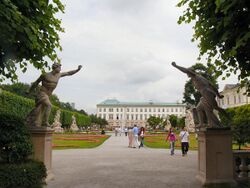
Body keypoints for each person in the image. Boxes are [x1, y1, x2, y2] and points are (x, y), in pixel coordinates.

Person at [172, 62, 226, 128]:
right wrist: (218, 95)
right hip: (205, 95)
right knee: (199, 108)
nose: (187, 74)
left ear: (190, 72)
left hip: (208, 94)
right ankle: (201, 123)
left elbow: (186, 70)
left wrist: (176, 66)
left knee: (213, 108)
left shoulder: (196, 76)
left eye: (188, 73)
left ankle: (223, 119)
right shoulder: (196, 78)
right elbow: (212, 85)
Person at [26, 63, 82, 127]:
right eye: (59, 68)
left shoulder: (59, 75)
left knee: (39, 110)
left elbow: (69, 73)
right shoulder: (45, 75)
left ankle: (32, 121)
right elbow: (36, 83)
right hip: (42, 93)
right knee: (49, 105)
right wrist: (29, 90)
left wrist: (77, 70)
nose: (60, 69)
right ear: (55, 67)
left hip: (48, 95)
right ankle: (45, 122)